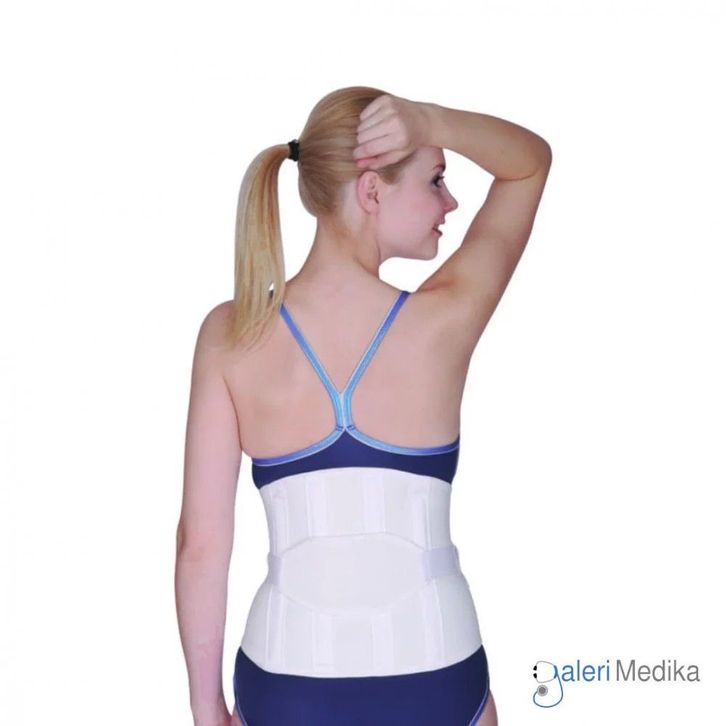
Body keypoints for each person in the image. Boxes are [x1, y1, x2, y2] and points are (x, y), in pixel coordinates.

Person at [175, 87, 552, 726]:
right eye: (436, 179)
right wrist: (430, 121)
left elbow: (201, 545)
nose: (450, 202)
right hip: (437, 679)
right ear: (372, 191)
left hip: (287, 689)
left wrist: (206, 706)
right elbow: (528, 164)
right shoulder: (443, 321)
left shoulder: (232, 336)